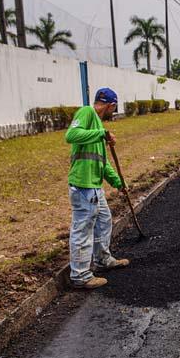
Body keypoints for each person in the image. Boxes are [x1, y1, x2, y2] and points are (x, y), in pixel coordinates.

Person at [65, 87, 129, 289]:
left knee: (103, 220)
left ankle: (103, 259)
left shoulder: (97, 126)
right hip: (83, 186)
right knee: (83, 229)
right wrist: (100, 133)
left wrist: (118, 182)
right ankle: (81, 276)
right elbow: (71, 135)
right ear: (111, 105)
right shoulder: (87, 112)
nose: (113, 111)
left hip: (94, 186)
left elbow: (102, 162)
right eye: (113, 108)